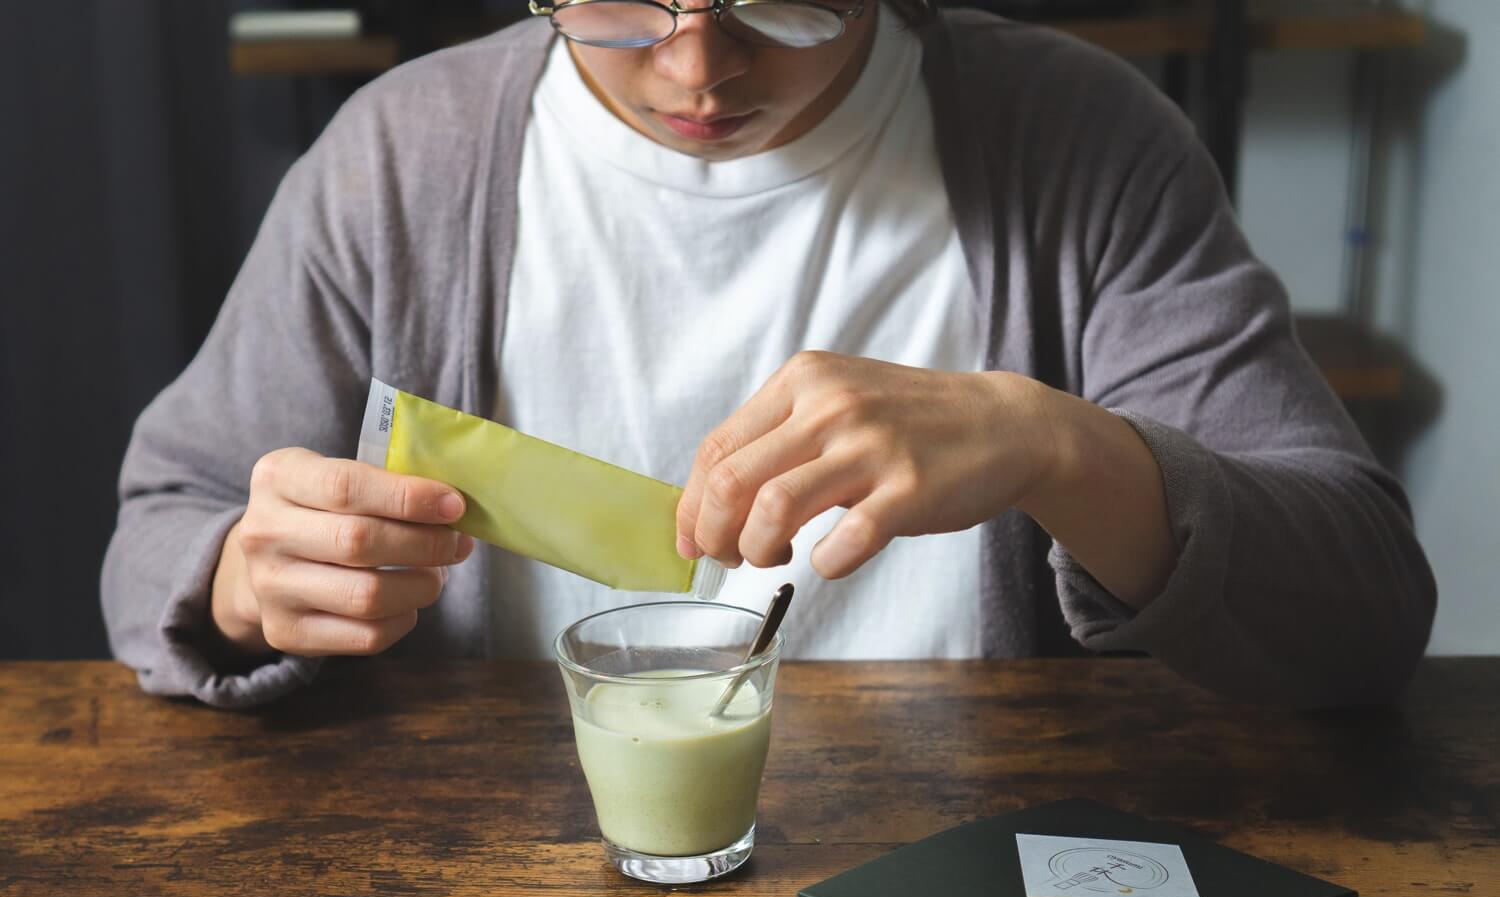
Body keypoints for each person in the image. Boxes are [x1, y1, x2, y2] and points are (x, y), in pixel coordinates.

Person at [102, 0, 1436, 709]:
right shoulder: (399, 162)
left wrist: (1063, 446)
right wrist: (241, 577)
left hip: (972, 883)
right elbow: (165, 526)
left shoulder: (1080, 145)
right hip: (489, 886)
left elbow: (1364, 617)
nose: (696, 61)